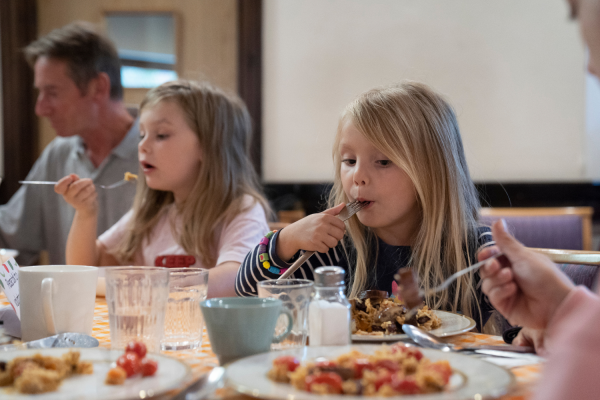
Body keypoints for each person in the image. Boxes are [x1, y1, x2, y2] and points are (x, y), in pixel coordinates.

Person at [236, 82, 495, 330]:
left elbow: (524, 329)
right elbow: (246, 296)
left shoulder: (474, 251)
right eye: (349, 160)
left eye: (382, 161)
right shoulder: (332, 249)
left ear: (432, 172)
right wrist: (285, 241)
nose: (358, 176)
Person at [55, 80, 270, 298]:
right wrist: (85, 214)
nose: (142, 146)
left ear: (207, 147)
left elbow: (235, 279)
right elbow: (84, 270)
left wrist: (150, 284)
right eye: (142, 135)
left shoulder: (240, 210)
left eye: (161, 135)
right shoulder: (153, 213)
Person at [0, 23, 138, 265]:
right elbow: (10, 238)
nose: (40, 108)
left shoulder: (157, 155)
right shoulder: (59, 152)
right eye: (39, 93)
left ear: (99, 87)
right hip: (65, 304)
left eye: (52, 92)